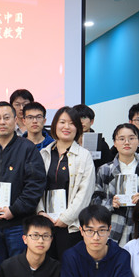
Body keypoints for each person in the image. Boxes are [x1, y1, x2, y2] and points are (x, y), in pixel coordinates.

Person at [0, 101, 46, 268]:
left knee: (19, 269)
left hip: (18, 224)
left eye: (6, 117)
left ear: (15, 120)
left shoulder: (28, 149)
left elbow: (35, 185)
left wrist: (14, 209)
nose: (2, 122)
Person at [36, 106, 95, 259]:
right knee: (47, 266)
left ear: (78, 128)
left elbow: (85, 193)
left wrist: (65, 218)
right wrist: (41, 213)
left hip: (70, 226)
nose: (66, 127)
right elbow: (36, 186)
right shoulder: (44, 154)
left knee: (69, 266)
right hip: (45, 224)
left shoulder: (84, 156)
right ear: (55, 125)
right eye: (62, 122)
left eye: (72, 123)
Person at [92, 123, 139, 246]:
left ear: (138, 141)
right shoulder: (105, 170)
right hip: (113, 227)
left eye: (131, 138)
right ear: (115, 142)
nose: (127, 142)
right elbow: (95, 200)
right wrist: (110, 203)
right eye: (121, 139)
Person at [72, 104, 112, 169]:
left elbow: (107, 168)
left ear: (92, 121)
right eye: (77, 118)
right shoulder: (68, 142)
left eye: (84, 117)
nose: (81, 121)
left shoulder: (101, 144)